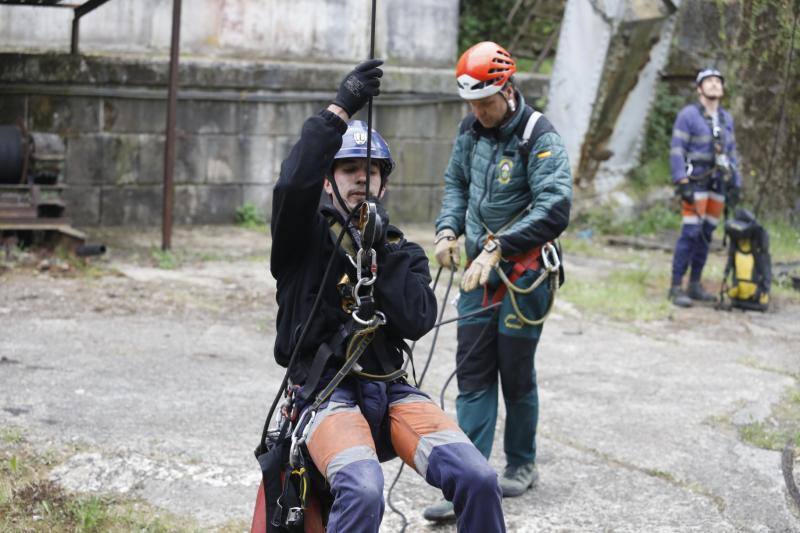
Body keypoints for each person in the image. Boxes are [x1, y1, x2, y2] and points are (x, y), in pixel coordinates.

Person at [269, 58, 505, 532]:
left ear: (385, 182)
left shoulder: (400, 250)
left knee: (479, 477)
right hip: (324, 393)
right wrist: (339, 111)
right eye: (350, 169)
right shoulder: (302, 238)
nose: (362, 179)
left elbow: (418, 318)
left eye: (372, 172)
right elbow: (292, 184)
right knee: (361, 486)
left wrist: (379, 249)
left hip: (392, 389)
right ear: (328, 179)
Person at [425, 41, 572, 521]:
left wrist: (498, 246)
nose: (479, 113)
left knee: (514, 371)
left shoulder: (539, 136)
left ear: (506, 90)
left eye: (486, 103)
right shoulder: (471, 129)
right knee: (472, 372)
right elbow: (456, 183)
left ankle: (523, 464)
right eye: (471, 104)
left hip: (525, 275)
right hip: (477, 275)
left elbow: (555, 206)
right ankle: (467, 480)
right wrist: (448, 229)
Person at [668, 67, 741, 308]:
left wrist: (735, 183)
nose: (714, 85)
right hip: (696, 180)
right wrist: (682, 181)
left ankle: (695, 284)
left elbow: (731, 152)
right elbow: (677, 149)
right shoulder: (688, 115)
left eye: (717, 81)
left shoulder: (726, 119)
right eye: (708, 81)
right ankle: (676, 286)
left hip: (718, 183)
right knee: (690, 232)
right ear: (699, 89)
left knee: (706, 234)